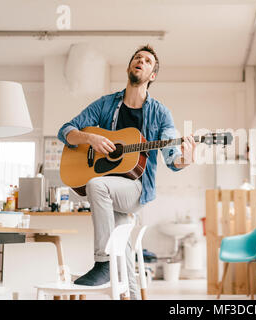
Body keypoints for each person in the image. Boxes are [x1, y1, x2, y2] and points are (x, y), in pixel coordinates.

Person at [57, 44, 196, 299]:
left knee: (97, 185)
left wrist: (184, 160)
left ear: (152, 75)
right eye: (137, 58)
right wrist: (90, 139)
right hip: (112, 192)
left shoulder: (160, 113)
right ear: (129, 66)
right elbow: (66, 130)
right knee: (123, 251)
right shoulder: (106, 104)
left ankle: (102, 263)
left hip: (136, 188)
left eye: (147, 61)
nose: (140, 61)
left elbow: (171, 158)